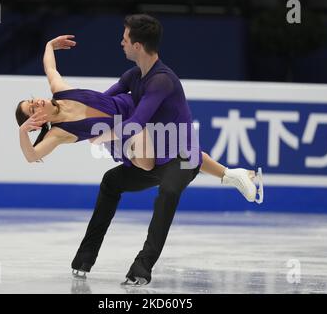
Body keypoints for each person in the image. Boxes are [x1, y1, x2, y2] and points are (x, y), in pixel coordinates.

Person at [16, 22, 263, 285]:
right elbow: (33, 155)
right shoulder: (60, 132)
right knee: (135, 170)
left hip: (139, 126)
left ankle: (230, 175)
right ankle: (85, 258)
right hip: (133, 136)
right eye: (32, 110)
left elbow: (50, 68)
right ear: (37, 123)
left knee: (174, 157)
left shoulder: (63, 90)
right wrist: (23, 132)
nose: (36, 103)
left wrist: (48, 46)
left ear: (137, 44)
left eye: (32, 100)